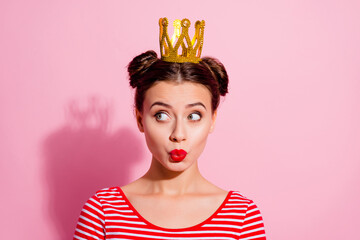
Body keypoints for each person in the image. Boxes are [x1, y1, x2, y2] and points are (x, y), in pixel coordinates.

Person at [73, 18, 266, 240]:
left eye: (194, 116)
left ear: (212, 120)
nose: (178, 135)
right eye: (161, 115)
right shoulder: (102, 213)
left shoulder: (241, 217)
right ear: (139, 119)